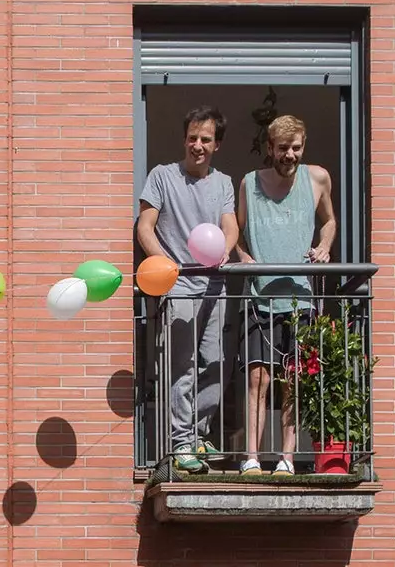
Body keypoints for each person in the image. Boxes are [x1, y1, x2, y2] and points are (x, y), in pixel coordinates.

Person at [137, 106, 239, 473]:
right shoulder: (162, 176)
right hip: (177, 284)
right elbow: (145, 227)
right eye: (193, 137)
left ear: (217, 145)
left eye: (206, 140)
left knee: (215, 363)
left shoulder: (224, 183)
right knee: (183, 367)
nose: (198, 145)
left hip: (215, 286)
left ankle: (198, 435)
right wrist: (164, 264)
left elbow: (229, 225)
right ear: (185, 139)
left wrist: (226, 249)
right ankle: (180, 442)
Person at [235, 114, 337, 475]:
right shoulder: (250, 183)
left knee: (293, 379)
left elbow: (329, 220)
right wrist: (242, 255)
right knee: (258, 379)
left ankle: (287, 459)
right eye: (282, 149)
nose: (290, 155)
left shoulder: (318, 178)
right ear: (269, 149)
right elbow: (238, 232)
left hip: (300, 298)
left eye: (296, 148)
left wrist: (324, 246)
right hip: (261, 296)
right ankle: (251, 457)